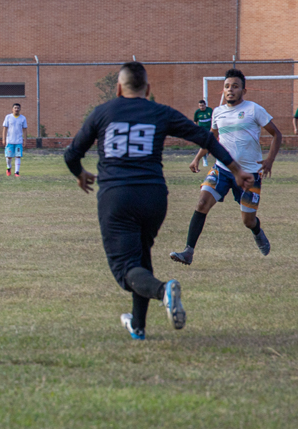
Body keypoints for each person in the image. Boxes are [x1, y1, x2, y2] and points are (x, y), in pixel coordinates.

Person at [64, 62, 253, 340]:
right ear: (148, 89)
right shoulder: (159, 112)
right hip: (154, 197)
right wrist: (235, 169)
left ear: (118, 88)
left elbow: (71, 154)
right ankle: (138, 326)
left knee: (126, 270)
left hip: (117, 197)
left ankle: (163, 291)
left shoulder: (103, 112)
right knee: (141, 258)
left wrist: (80, 174)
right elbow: (205, 138)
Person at [170, 68, 283, 265]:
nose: (230, 90)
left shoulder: (254, 109)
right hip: (222, 169)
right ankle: (188, 252)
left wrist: (269, 160)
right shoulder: (218, 112)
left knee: (248, 221)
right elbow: (211, 138)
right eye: (227, 86)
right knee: (202, 203)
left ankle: (257, 230)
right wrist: (197, 158)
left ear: (243, 91)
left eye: (235, 86)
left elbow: (277, 134)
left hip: (249, 174)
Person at [2, 103, 28, 176]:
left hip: (18, 141)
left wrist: (25, 140)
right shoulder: (8, 117)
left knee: (18, 156)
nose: (16, 109)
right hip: (10, 140)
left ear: (20, 109)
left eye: (18, 108)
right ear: (12, 109)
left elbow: (25, 129)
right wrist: (4, 139)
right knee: (9, 156)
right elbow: (5, 128)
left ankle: (17, 172)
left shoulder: (23, 118)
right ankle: (8, 167)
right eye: (15, 108)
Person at [193, 99, 213, 167]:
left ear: (205, 105)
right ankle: (204, 158)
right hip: (202, 131)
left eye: (202, 105)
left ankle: (208, 154)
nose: (201, 107)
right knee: (204, 144)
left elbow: (213, 119)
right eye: (200, 106)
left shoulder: (210, 110)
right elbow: (195, 122)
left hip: (210, 130)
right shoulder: (197, 112)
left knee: (210, 143)